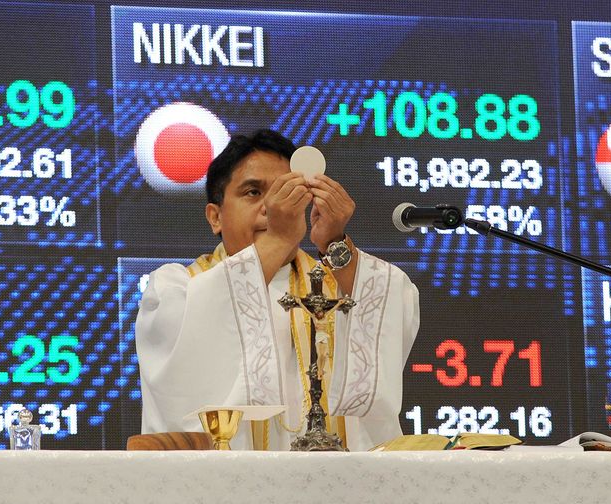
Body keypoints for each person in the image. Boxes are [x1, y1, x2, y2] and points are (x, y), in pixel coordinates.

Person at [135, 129, 419, 451]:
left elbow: (394, 307)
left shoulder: (334, 281)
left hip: (336, 486)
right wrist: (279, 238)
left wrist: (335, 244)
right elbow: (181, 371)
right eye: (253, 192)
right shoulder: (177, 287)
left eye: (288, 191)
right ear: (215, 217)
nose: (273, 206)